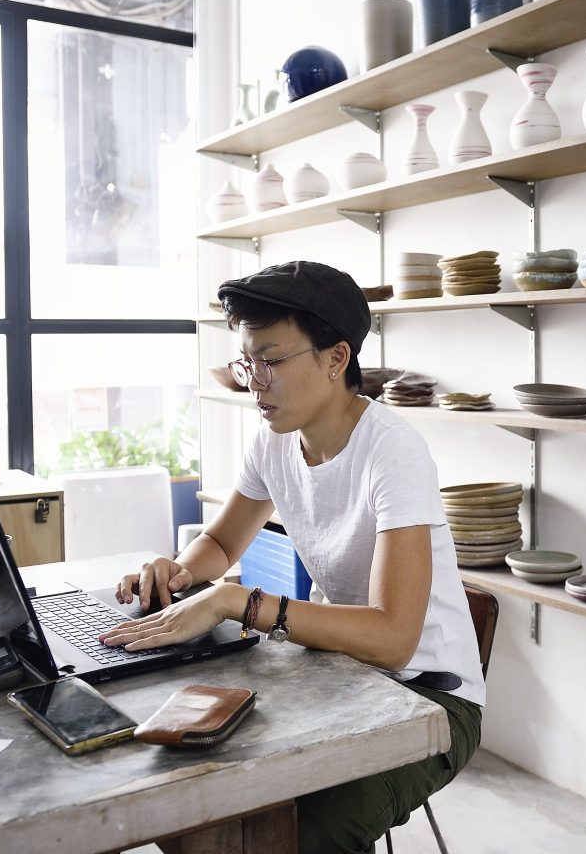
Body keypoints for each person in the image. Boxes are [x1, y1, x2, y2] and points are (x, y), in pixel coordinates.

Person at [100, 260, 484, 854]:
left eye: (272, 360)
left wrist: (236, 600)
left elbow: (394, 638)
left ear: (335, 359)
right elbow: (223, 544)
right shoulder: (274, 439)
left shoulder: (393, 452)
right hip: (334, 670)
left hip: (430, 696)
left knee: (300, 834)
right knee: (185, 794)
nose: (255, 381)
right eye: (247, 361)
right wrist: (178, 569)